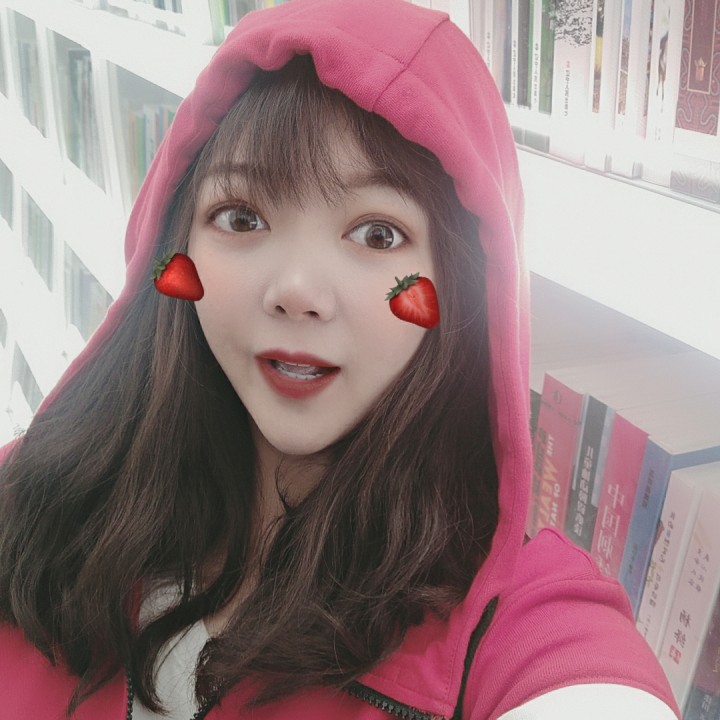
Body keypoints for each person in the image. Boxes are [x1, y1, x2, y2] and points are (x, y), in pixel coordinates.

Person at [0, 1, 681, 718]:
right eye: (241, 218)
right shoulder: (37, 497)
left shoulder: (513, 621)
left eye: (377, 234)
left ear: (461, 282)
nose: (297, 292)